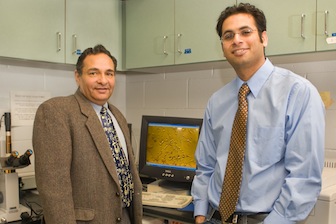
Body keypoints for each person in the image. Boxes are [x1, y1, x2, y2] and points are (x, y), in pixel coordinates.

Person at [191, 3, 325, 224]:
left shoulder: (298, 93)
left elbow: (303, 177)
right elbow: (206, 165)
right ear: (223, 46)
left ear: (264, 38)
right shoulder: (217, 101)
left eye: (246, 32)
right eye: (228, 35)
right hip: (214, 218)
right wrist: (200, 213)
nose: (237, 40)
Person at [33, 44, 143, 224]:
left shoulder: (117, 116)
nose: (103, 80)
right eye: (93, 73)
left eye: (109, 73)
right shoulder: (56, 112)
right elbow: (54, 191)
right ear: (78, 76)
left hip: (125, 217)